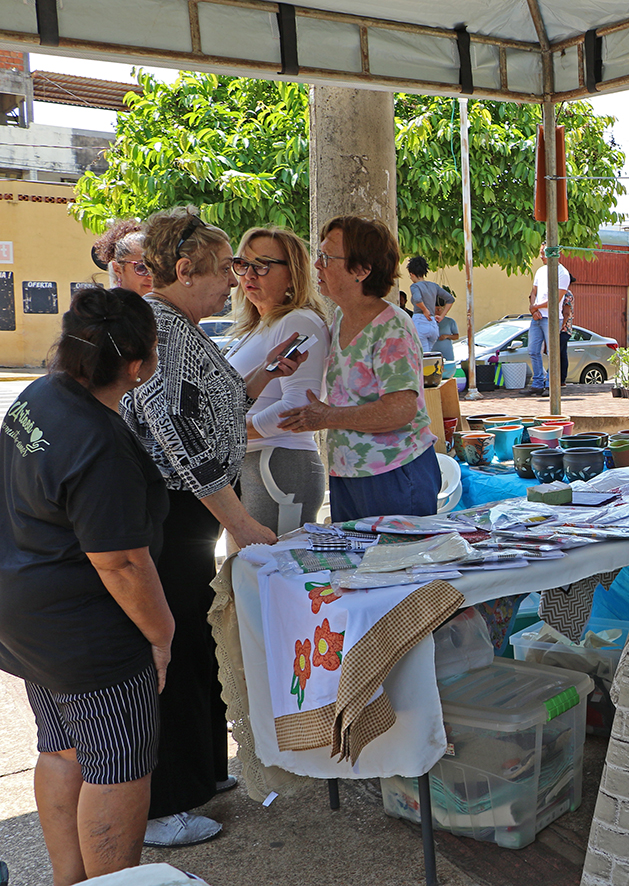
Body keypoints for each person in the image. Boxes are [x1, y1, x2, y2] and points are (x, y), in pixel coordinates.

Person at [123, 207, 306, 847]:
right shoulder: (162, 329)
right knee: (170, 647)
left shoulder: (181, 326)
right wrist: (236, 516)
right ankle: (164, 802)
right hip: (172, 515)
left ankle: (201, 771)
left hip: (185, 515)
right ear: (183, 269)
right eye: (224, 268)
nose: (234, 281)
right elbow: (170, 432)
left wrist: (264, 375)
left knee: (197, 640)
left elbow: (213, 400)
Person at [0, 286, 172, 883]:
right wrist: (161, 633)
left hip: (28, 613)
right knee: (117, 766)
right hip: (85, 630)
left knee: (63, 747)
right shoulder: (99, 442)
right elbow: (121, 563)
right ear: (135, 366)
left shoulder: (41, 394)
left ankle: (69, 880)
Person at [279, 216, 440, 522]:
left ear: (361, 271)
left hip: (393, 473)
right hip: (349, 473)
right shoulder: (341, 316)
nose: (317, 265)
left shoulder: (392, 326)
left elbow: (400, 410)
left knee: (395, 569)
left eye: (327, 257)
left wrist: (328, 417)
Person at [225, 226, 331, 533]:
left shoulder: (298, 320)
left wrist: (230, 432)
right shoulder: (259, 326)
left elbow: (299, 407)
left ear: (292, 273)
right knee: (248, 575)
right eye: (242, 264)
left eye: (262, 265)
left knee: (274, 575)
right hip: (255, 466)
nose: (248, 275)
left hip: (278, 466)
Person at [526, 242, 570, 396]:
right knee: (532, 350)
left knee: (553, 352)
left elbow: (555, 299)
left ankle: (551, 384)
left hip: (551, 317)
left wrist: (536, 307)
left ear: (554, 253)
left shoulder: (562, 273)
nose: (541, 256)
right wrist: (533, 309)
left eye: (544, 252)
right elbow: (533, 291)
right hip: (537, 316)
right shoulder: (540, 271)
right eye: (540, 252)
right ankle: (538, 383)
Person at [406, 255, 454, 354]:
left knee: (421, 355)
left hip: (420, 321)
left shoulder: (415, 286)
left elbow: (417, 299)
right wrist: (441, 316)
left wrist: (424, 309)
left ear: (412, 274)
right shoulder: (433, 286)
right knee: (428, 354)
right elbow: (450, 299)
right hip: (433, 324)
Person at [93, 220, 153, 297]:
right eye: (141, 267)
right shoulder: (104, 307)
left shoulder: (168, 305)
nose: (151, 276)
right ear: (118, 269)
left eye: (158, 268)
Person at [433, 295, 459, 378]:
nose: (439, 311)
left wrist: (447, 336)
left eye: (441, 309)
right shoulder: (429, 321)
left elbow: (456, 336)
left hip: (447, 353)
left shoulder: (450, 321)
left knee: (447, 373)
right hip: (433, 352)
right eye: (436, 309)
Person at [558, 276, 575, 386]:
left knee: (557, 353)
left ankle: (559, 379)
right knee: (562, 354)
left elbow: (566, 313)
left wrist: (560, 327)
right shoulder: (564, 293)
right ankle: (562, 380)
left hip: (563, 330)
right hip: (565, 330)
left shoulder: (566, 294)